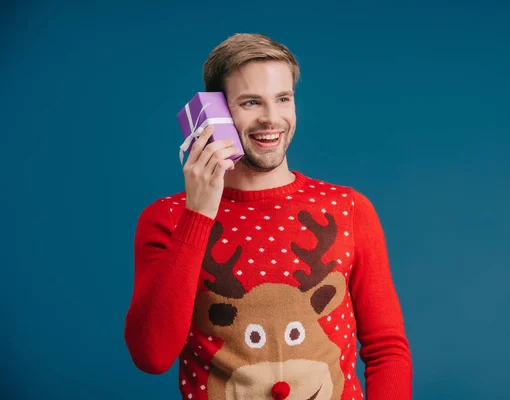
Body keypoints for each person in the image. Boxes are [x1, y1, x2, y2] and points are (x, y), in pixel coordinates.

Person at [124, 33, 412, 400]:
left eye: (283, 99)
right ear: (214, 110)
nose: (271, 119)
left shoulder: (350, 208)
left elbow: (387, 349)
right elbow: (151, 355)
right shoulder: (167, 217)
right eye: (250, 102)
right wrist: (198, 214)